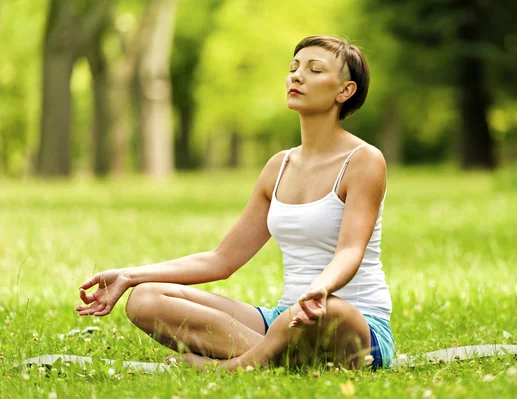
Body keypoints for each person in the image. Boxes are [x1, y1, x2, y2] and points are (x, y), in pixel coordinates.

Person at [75, 35, 394, 371]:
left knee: (332, 309)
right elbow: (222, 259)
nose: (297, 76)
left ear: (345, 91)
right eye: (294, 68)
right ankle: (277, 360)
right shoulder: (279, 166)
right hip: (282, 320)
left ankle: (232, 366)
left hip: (353, 324)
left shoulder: (364, 161)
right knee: (145, 299)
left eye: (314, 70)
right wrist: (128, 276)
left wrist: (321, 288)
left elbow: (349, 251)